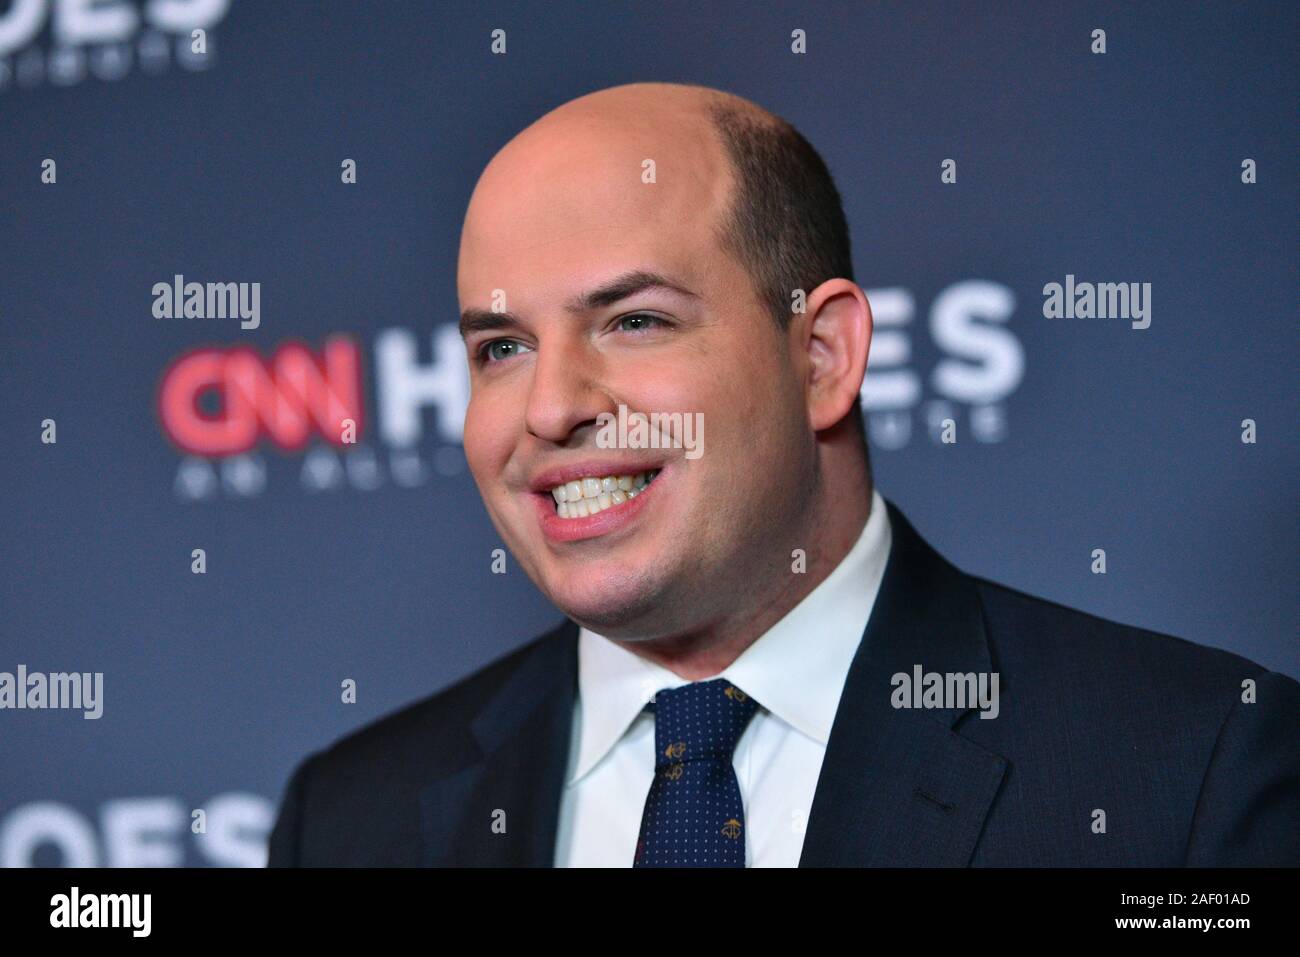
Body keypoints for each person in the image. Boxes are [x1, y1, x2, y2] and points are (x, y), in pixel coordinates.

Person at [268, 82, 1299, 867]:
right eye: (501, 347)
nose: (549, 407)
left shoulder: (1193, 771)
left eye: (633, 321)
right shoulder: (354, 820)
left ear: (822, 356)